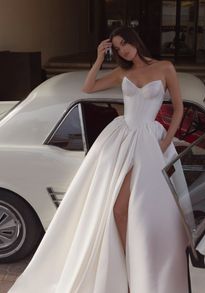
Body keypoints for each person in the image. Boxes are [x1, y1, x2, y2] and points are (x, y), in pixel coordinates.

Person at [9, 26, 191, 293]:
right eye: (117, 48)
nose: (123, 50)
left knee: (145, 210)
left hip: (150, 142)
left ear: (135, 41)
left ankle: (147, 269)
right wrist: (97, 59)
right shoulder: (122, 72)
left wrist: (166, 142)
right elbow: (88, 87)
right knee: (118, 209)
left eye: (125, 43)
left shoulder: (165, 67)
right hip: (121, 140)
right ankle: (128, 268)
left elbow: (179, 107)